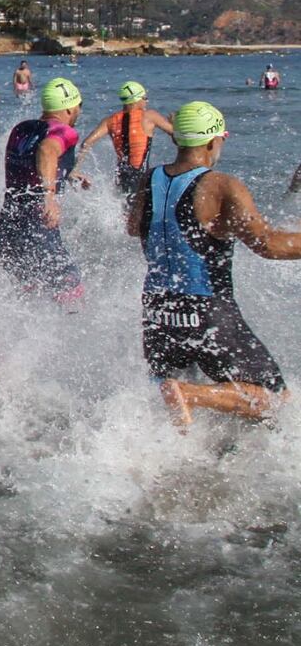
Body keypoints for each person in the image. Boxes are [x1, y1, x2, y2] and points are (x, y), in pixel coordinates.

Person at [128, 101, 301, 425]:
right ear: (211, 141)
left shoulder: (149, 179)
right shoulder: (220, 184)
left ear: (178, 140)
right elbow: (267, 244)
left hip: (157, 311)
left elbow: (133, 226)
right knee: (275, 398)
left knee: (168, 404)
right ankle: (193, 394)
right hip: (205, 309)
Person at [0, 78, 89, 304]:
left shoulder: (22, 128)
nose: (79, 112)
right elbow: (46, 151)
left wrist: (67, 174)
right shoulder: (64, 131)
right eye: (79, 106)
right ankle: (69, 337)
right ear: (69, 107)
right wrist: (49, 197)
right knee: (70, 290)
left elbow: (29, 161)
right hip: (36, 228)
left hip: (6, 229)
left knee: (32, 297)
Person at [79, 81, 174, 199]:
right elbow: (177, 136)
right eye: (145, 98)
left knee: (123, 209)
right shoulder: (149, 116)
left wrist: (76, 169)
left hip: (121, 176)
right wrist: (174, 124)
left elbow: (86, 143)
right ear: (137, 99)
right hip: (141, 177)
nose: (146, 101)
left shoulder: (110, 121)